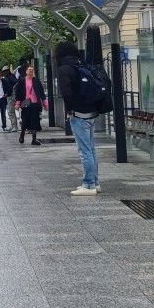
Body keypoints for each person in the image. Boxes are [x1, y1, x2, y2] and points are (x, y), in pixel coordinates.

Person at [54, 42, 100, 196]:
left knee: (85, 151)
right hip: (91, 112)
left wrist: (70, 110)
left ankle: (88, 185)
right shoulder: (81, 65)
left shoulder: (63, 70)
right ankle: (94, 182)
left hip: (78, 114)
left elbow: (66, 93)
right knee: (91, 149)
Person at [13, 64, 48, 146]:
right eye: (29, 69)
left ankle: (34, 139)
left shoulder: (36, 81)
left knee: (34, 121)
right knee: (24, 120)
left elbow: (42, 93)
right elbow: (18, 93)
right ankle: (22, 135)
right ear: (26, 72)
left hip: (35, 103)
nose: (31, 71)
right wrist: (18, 103)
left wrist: (45, 103)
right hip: (26, 104)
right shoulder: (22, 81)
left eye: (32, 69)